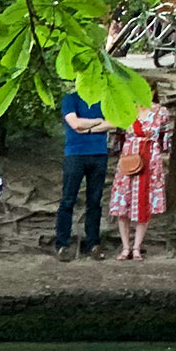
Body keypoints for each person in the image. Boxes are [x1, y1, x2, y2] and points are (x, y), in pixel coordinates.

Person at [105, 97, 172, 260]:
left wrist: (164, 151)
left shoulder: (161, 112)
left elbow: (165, 137)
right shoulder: (126, 110)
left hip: (150, 160)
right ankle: (125, 246)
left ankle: (137, 247)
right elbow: (119, 138)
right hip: (129, 159)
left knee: (144, 201)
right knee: (123, 203)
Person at [55, 84, 114, 259]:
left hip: (99, 154)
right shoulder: (70, 99)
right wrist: (98, 122)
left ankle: (93, 244)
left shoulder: (103, 99)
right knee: (68, 199)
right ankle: (62, 245)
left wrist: (86, 128)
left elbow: (113, 122)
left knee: (95, 201)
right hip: (75, 155)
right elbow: (74, 123)